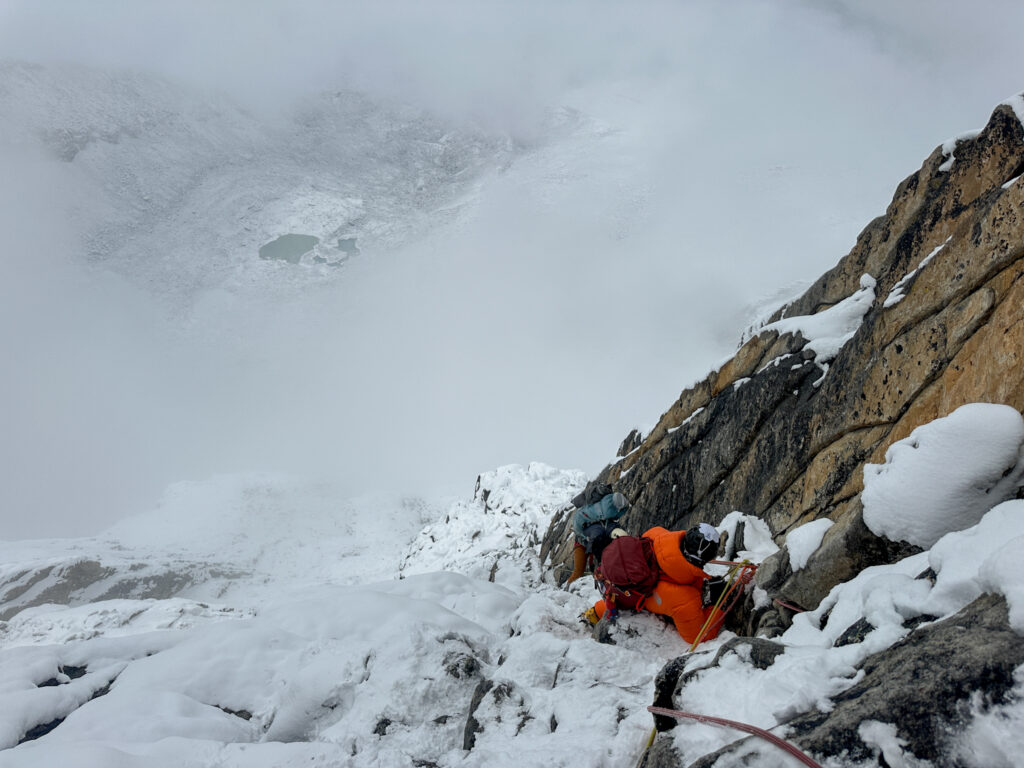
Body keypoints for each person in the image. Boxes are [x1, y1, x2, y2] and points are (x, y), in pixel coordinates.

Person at [583, 522, 723, 644]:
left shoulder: (657, 533)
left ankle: (593, 614)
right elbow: (699, 636)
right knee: (630, 599)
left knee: (624, 596)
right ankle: (595, 614)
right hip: (634, 594)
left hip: (617, 585)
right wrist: (717, 603)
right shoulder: (684, 598)